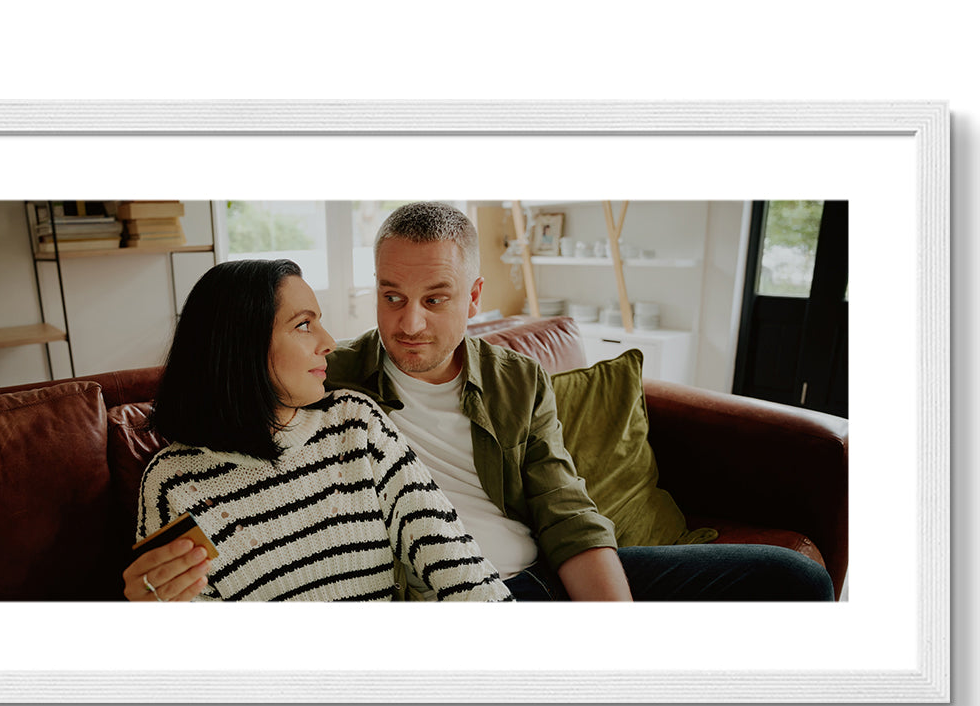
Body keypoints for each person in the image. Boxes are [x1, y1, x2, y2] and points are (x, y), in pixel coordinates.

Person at [126, 204, 834, 603]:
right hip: (456, 596)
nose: (408, 323)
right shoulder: (331, 384)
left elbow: (565, 509)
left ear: (473, 297)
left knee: (793, 578)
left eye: (435, 300)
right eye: (391, 296)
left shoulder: (514, 380)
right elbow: (233, 405)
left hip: (541, 575)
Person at [129, 257, 512, 602]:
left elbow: (456, 561)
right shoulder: (173, 484)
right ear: (241, 344)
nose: (328, 343)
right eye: (304, 325)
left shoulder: (356, 424)